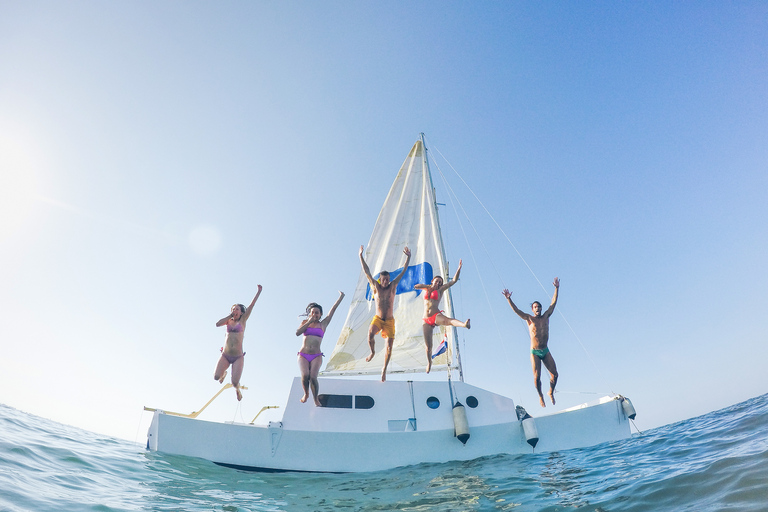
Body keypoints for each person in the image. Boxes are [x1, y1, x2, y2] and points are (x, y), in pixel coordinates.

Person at [502, 277, 560, 407]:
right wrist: (508, 299)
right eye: (535, 307)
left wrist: (556, 288)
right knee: (537, 378)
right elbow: (517, 311)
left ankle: (550, 392)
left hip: (545, 350)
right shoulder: (529, 319)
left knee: (555, 375)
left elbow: (553, 303)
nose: (538, 308)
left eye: (539, 306)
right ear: (532, 309)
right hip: (534, 352)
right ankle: (540, 396)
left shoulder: (546, 316)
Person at [359, 244, 411, 381]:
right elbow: (367, 272)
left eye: (387, 279)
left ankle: (384, 369)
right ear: (380, 280)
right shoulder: (375, 287)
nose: (386, 281)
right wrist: (360, 256)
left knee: (389, 347)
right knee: (370, 334)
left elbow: (403, 272)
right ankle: (372, 352)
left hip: (389, 321)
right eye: (384, 279)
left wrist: (408, 258)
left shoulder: (393, 286)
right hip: (377, 318)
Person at [414, 260, 471, 373]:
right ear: (433, 281)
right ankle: (429, 362)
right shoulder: (427, 288)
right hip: (426, 320)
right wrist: (429, 286)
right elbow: (416, 286)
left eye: (440, 282)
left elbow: (453, 281)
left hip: (435, 315)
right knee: (428, 347)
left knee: (447, 321)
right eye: (437, 281)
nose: (439, 283)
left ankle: (464, 324)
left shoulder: (440, 290)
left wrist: (458, 268)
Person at [295, 291, 345, 406]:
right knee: (305, 376)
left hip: (316, 355)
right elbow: (297, 333)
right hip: (303, 354)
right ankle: (306, 394)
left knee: (313, 377)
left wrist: (341, 297)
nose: (315, 315)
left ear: (321, 314)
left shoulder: (323, 324)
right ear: (309, 314)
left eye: (317, 313)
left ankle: (315, 398)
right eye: (312, 313)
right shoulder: (304, 322)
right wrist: (308, 322)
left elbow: (333, 310)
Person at [214, 285, 262, 401]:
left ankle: (238, 390)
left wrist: (258, 292)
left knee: (235, 382)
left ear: (241, 313)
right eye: (233, 309)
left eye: (237, 309)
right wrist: (230, 316)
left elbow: (251, 305)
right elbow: (217, 324)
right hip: (225, 355)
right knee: (216, 377)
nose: (234, 311)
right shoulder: (228, 321)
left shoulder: (243, 320)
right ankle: (224, 373)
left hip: (237, 357)